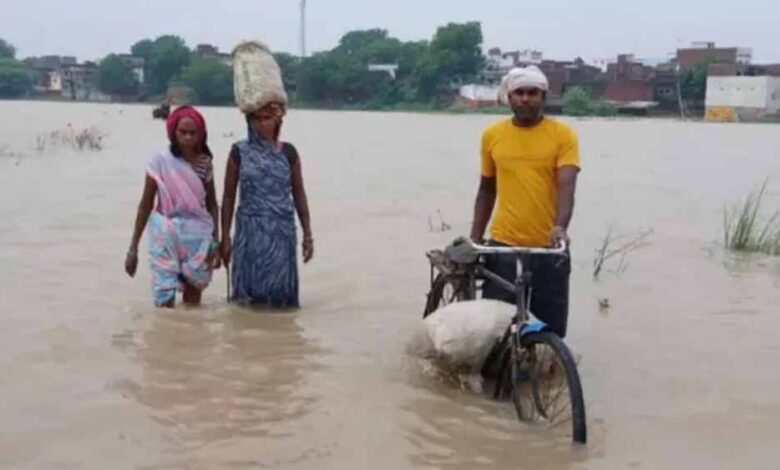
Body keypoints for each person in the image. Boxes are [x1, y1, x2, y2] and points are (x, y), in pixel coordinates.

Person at [469, 66, 581, 338]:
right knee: (495, 333)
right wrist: (475, 239)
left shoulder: (563, 135)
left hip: (549, 250)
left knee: (549, 333)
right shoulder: (493, 135)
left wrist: (560, 227)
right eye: (519, 93)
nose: (526, 99)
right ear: (509, 97)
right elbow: (487, 189)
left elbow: (567, 187)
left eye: (533, 93)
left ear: (543, 97)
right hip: (503, 246)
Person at [125, 106, 220, 307]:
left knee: (193, 299)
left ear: (200, 135)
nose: (187, 137)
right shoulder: (159, 162)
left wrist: (215, 242)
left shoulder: (205, 163)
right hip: (165, 235)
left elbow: (212, 204)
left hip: (197, 237)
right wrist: (133, 247)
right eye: (182, 132)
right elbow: (145, 205)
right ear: (173, 132)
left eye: (193, 133)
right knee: (164, 298)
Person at [221, 102, 313, 308]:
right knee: (247, 297)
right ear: (249, 121)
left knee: (280, 296)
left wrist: (307, 234)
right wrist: (225, 237)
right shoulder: (239, 152)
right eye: (257, 119)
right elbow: (228, 197)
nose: (262, 124)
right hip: (250, 232)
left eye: (267, 118)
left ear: (277, 120)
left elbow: (299, 194)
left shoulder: (289, 153)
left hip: (281, 233)